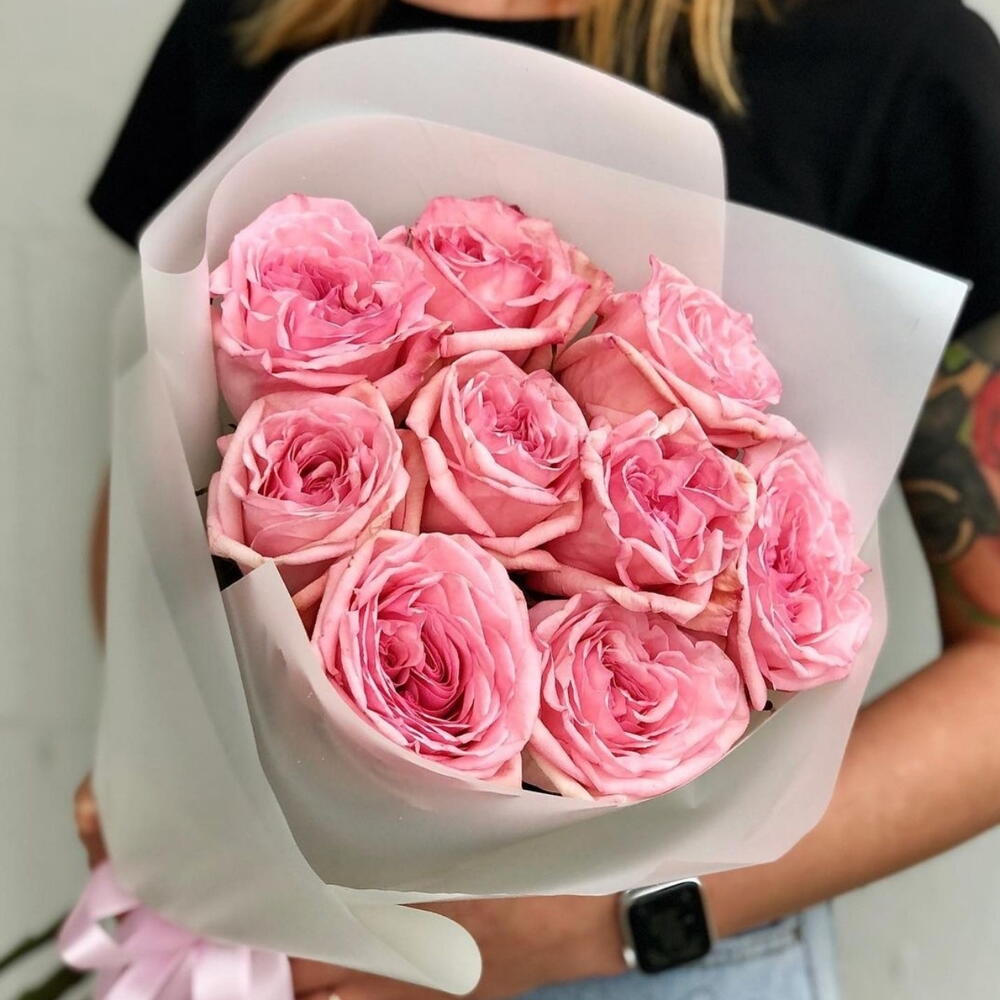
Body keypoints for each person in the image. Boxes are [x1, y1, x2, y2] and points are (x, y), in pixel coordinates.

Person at [78, 1, 1000, 999]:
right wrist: (173, 784)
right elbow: (155, 502)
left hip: (658, 964)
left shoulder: (892, 58)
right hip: (274, 930)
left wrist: (578, 923)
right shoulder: (257, 22)